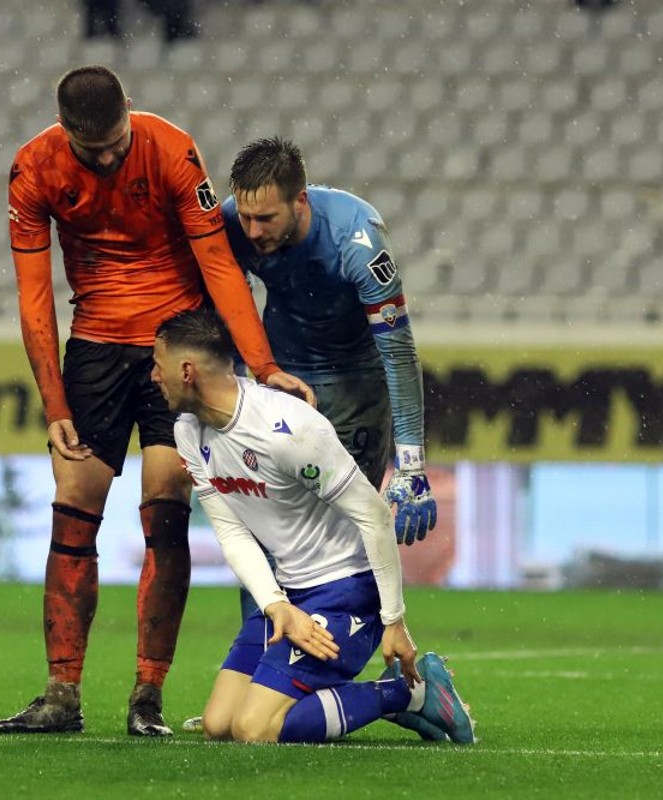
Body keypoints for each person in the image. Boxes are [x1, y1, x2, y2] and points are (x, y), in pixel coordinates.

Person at [0, 65, 312, 738]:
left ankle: (146, 697)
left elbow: (217, 262)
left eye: (113, 142)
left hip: (178, 346)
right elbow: (34, 296)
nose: (104, 158)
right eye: (89, 148)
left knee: (165, 510)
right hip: (95, 347)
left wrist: (263, 364)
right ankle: (61, 694)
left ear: (130, 109)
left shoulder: (171, 149)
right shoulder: (33, 170)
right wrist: (53, 401)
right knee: (73, 512)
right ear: (63, 127)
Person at [180, 136, 439, 734]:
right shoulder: (231, 224)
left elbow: (397, 351)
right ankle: (273, 680)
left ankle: (363, 673)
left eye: (266, 217)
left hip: (353, 394)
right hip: (280, 383)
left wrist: (412, 463)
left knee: (338, 541)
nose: (253, 229)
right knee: (263, 530)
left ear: (302, 203)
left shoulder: (358, 237)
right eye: (244, 216)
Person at [151, 308, 475, 744]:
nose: (153, 376)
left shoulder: (287, 431)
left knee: (255, 729)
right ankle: (334, 686)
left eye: (158, 364)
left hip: (347, 590)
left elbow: (375, 515)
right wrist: (275, 606)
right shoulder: (189, 432)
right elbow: (231, 532)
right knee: (220, 725)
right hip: (291, 594)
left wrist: (394, 619)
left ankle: (407, 692)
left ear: (187, 371)